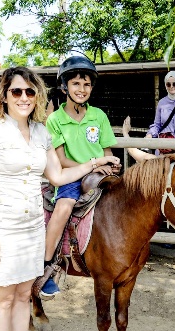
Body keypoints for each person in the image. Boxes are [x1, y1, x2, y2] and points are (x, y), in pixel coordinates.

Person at [0, 67, 119, 331]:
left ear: (37, 95)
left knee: (24, 295)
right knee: (3, 298)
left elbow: (57, 176)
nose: (24, 98)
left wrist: (93, 164)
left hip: (32, 227)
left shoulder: (40, 132)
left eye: (30, 92)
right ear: (5, 96)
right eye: (17, 92)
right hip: (1, 225)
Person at [41, 56, 120, 299]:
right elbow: (62, 160)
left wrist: (110, 164)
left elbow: (107, 151)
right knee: (64, 207)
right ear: (65, 86)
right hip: (71, 176)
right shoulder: (55, 120)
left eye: (86, 85)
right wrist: (91, 166)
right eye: (75, 84)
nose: (81, 90)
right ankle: (46, 265)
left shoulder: (98, 116)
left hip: (99, 174)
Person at [124, 71, 175, 156]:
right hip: (164, 149)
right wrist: (150, 135)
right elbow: (157, 125)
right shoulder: (162, 102)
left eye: (174, 84)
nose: (171, 87)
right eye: (168, 84)